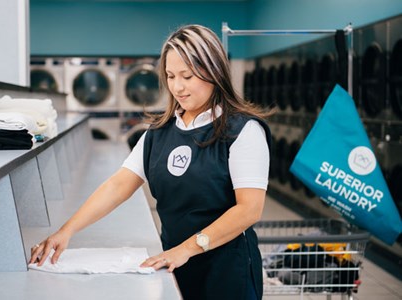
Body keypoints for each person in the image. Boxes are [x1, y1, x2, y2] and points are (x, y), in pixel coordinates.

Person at [30, 24, 271, 300]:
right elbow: (119, 185)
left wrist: (188, 248)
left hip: (227, 269)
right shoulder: (159, 132)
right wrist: (66, 231)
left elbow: (249, 210)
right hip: (174, 263)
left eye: (187, 76)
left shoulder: (242, 131)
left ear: (214, 72)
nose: (177, 87)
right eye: (170, 76)